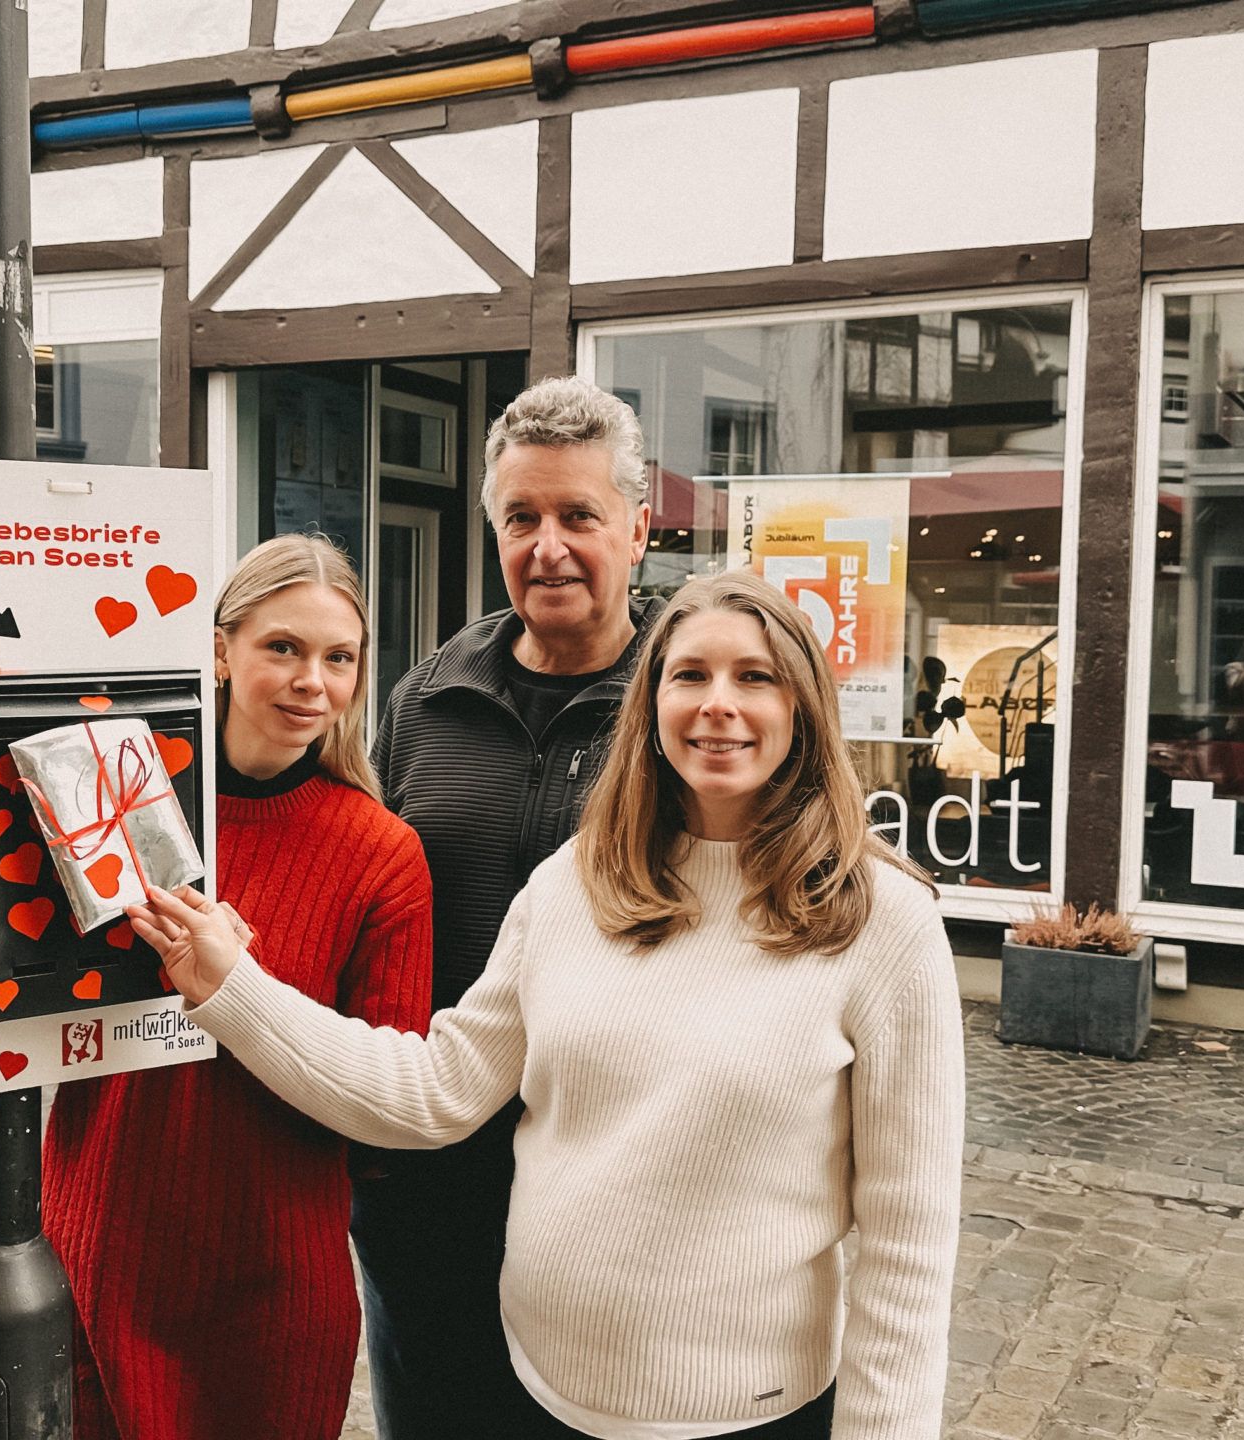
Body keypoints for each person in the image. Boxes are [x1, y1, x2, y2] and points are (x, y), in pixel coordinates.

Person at [135, 568, 967, 1439]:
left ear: (802, 708)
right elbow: (434, 1090)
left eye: (754, 677)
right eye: (688, 675)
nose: (718, 704)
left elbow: (908, 1245)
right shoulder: (574, 883)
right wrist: (234, 989)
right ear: (648, 706)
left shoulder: (882, 922)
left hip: (746, 1419)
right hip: (535, 1395)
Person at [42, 534, 433, 1440]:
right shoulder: (118, 800)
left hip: (272, 1274)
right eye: (283, 648)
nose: (312, 682)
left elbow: (386, 1104)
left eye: (339, 658)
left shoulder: (381, 854)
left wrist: (251, 998)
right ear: (220, 650)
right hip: (102, 1240)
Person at [360, 375, 665, 1436]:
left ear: (636, 526)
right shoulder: (424, 701)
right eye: (521, 518)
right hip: (430, 1187)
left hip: (613, 1177)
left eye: (577, 516)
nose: (547, 547)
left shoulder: (691, 705)